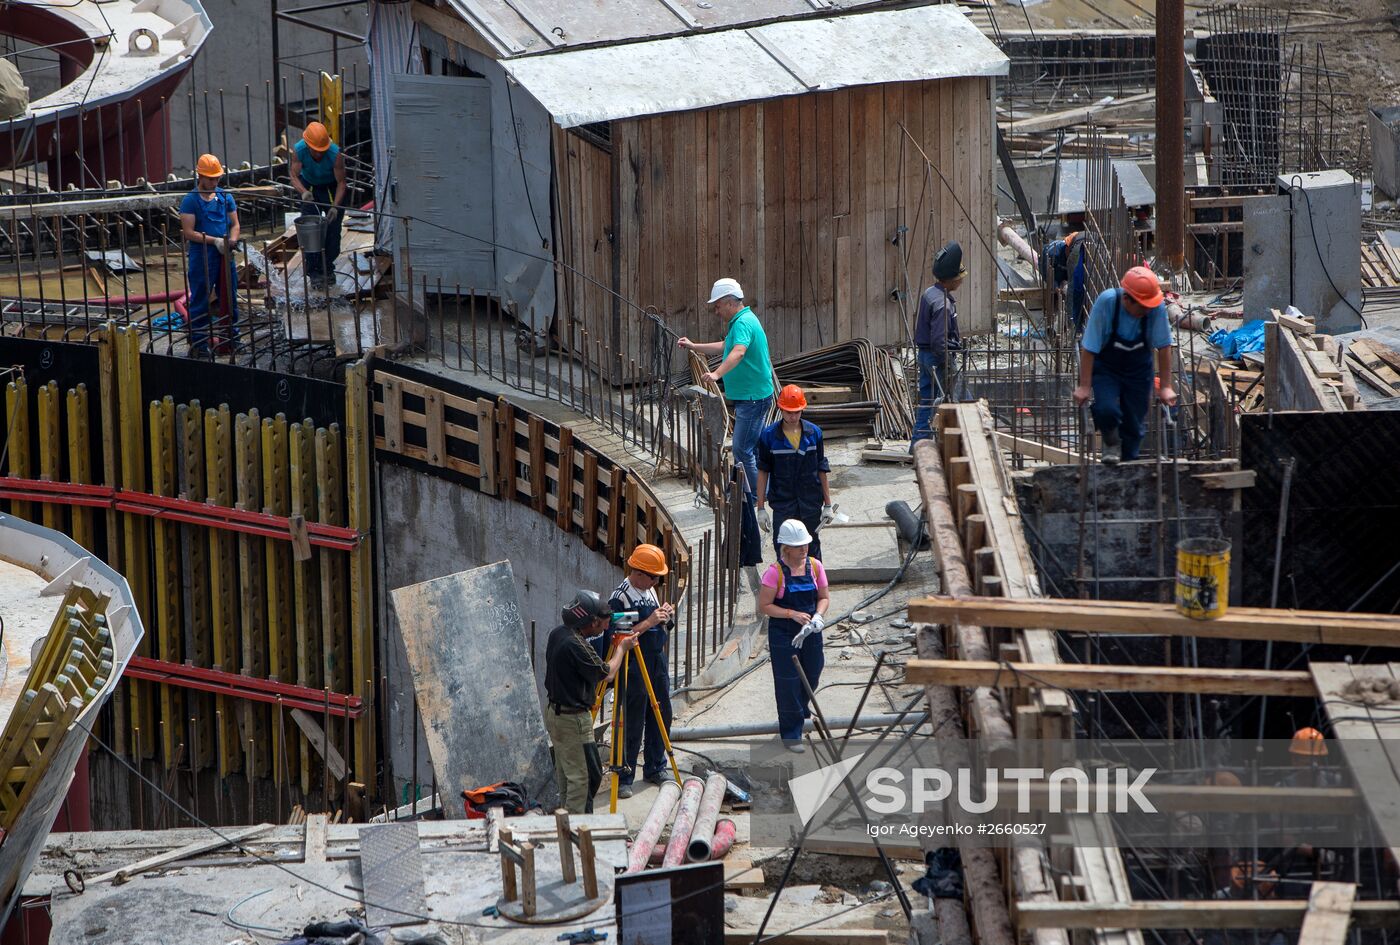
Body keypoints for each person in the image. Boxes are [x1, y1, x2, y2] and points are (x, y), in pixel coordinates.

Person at [543, 589, 638, 813]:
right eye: (603, 623)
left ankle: (565, 823)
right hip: (572, 719)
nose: (606, 627)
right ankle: (576, 833)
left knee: (569, 776)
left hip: (557, 714)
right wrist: (622, 648)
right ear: (590, 621)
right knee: (583, 779)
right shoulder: (576, 645)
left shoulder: (559, 633)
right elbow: (607, 674)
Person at [1072, 266, 1178, 466]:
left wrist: (1165, 386)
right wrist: (1085, 386)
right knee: (1106, 409)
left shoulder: (1154, 307)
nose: (1147, 310)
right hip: (1107, 368)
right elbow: (1089, 347)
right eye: (1142, 306)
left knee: (1134, 423)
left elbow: (1164, 346)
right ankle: (1110, 442)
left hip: (1138, 369)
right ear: (1127, 299)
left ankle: (1129, 465)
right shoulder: (1107, 303)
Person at [677, 278, 774, 493]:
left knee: (741, 449)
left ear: (729, 302)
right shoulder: (743, 320)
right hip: (753, 395)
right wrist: (694, 346)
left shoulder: (742, 323)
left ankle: (756, 496)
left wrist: (716, 374)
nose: (716, 311)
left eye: (718, 306)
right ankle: (762, 489)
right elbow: (726, 346)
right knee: (753, 447)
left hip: (753, 398)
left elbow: (738, 352)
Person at [602, 544, 677, 799]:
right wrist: (650, 622)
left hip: (656, 660)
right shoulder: (621, 596)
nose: (657, 581)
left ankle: (656, 767)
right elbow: (619, 636)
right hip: (634, 665)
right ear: (639, 573)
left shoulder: (649, 590)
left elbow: (658, 624)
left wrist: (665, 616)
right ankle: (625, 775)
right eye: (654, 576)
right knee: (632, 722)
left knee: (661, 714)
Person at [758, 520, 831, 752]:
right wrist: (791, 614)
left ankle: (799, 712)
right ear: (786, 548)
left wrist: (818, 616)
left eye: (805, 544)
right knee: (787, 682)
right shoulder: (774, 573)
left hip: (809, 631)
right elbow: (765, 606)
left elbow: (824, 596)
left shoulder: (815, 567)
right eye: (798, 546)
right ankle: (791, 734)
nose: (803, 549)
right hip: (783, 633)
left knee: (814, 671)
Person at [755, 384, 832, 561]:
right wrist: (761, 508)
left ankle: (813, 586)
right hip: (783, 503)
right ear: (780, 409)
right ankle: (785, 587)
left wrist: (827, 504)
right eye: (789, 412)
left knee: (811, 549)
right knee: (783, 549)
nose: (793, 416)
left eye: (797, 412)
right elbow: (763, 472)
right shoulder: (769, 437)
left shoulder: (814, 434)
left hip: (810, 502)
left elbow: (822, 468)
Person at [179, 154, 240, 355]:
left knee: (229, 297)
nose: (214, 182)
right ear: (200, 176)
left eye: (217, 178)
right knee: (201, 299)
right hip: (202, 255)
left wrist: (231, 240)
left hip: (224, 255)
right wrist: (215, 241)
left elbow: (236, 224)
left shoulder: (225, 197)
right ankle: (199, 343)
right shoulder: (191, 200)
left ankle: (231, 338)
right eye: (210, 178)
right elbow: (188, 232)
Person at [911, 242, 965, 446]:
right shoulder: (943, 304)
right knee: (955, 400)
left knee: (926, 403)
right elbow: (939, 341)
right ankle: (958, 443)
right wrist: (947, 363)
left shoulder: (929, 293)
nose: (960, 282)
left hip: (924, 356)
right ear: (951, 279)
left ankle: (917, 446)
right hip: (936, 359)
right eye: (959, 278)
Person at [290, 121, 347, 286]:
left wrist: (335, 207)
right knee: (309, 229)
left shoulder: (335, 154)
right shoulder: (299, 151)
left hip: (331, 187)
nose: (319, 154)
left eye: (322, 151)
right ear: (308, 146)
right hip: (309, 184)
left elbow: (342, 183)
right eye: (316, 150)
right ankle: (313, 271)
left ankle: (327, 268)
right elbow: (294, 176)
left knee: (333, 230)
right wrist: (304, 192)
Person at [1041, 230, 1095, 333]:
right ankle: (1076, 324)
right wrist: (1056, 286)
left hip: (1082, 246)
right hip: (1092, 245)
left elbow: (1073, 289)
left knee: (1075, 288)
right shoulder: (1053, 253)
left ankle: (1073, 325)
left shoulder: (1072, 251)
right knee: (1079, 287)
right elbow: (1047, 273)